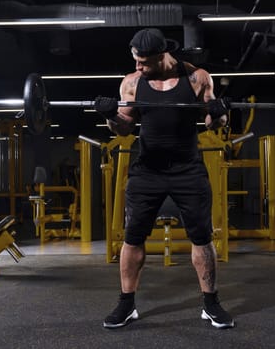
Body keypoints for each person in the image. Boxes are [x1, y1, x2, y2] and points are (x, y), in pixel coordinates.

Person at [94, 28, 234, 329]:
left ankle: (211, 304)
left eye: (143, 62)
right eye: (135, 61)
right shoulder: (131, 83)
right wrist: (110, 116)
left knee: (201, 236)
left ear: (162, 56)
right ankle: (126, 304)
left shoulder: (197, 78)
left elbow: (214, 122)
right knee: (133, 237)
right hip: (148, 169)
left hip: (188, 168)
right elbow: (124, 128)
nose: (137, 67)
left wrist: (220, 112)